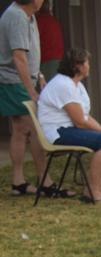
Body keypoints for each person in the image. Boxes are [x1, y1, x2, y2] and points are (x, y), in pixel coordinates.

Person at [37, 49, 101, 204]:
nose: (89, 65)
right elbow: (80, 121)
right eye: (87, 62)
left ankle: (94, 186)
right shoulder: (64, 85)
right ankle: (92, 191)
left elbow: (85, 117)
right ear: (78, 66)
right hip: (58, 132)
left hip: (69, 129)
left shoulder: (75, 85)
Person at [1, 0, 48, 198]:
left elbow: (30, 56)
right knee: (34, 128)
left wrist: (40, 76)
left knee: (20, 130)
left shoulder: (29, 15)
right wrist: (31, 90)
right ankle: (45, 180)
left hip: (24, 79)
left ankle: (18, 182)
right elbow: (18, 57)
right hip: (14, 81)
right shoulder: (17, 16)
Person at [34, 2, 59, 82]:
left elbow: (34, 38)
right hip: (57, 57)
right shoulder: (53, 20)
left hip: (47, 59)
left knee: (46, 85)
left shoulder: (40, 21)